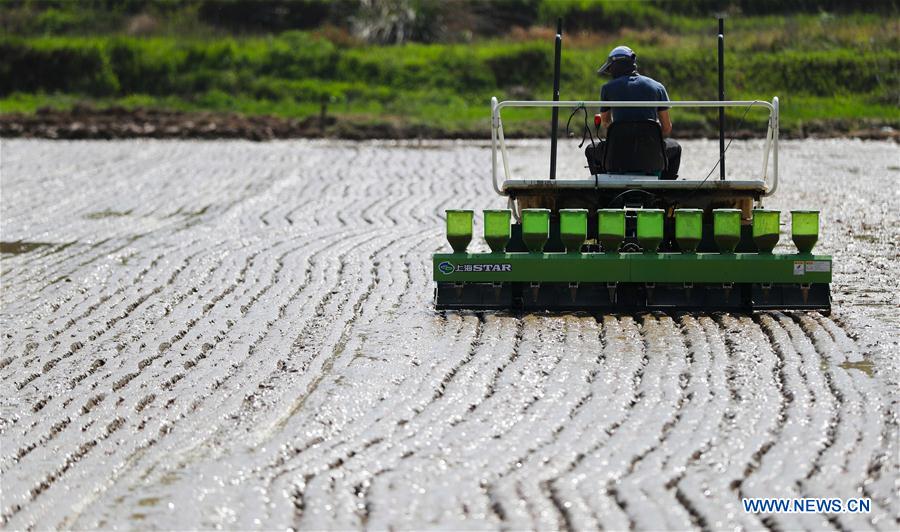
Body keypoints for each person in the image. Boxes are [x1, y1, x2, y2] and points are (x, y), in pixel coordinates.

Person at [592, 45, 681, 179]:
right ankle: (664, 189)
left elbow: (605, 122)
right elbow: (667, 128)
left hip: (618, 152)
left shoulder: (608, 88)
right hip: (650, 153)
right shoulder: (658, 87)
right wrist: (651, 141)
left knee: (591, 150)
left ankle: (604, 189)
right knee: (676, 148)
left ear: (615, 67)